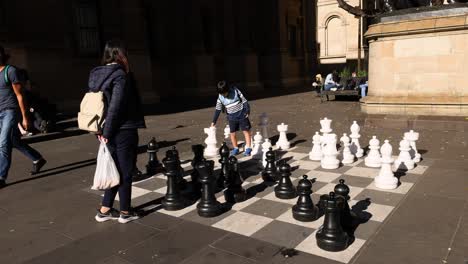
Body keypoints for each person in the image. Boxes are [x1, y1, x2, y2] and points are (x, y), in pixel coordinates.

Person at [90, 40, 146, 224]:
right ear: (119, 55)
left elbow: (96, 105)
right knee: (125, 170)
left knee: (114, 169)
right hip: (123, 128)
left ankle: (105, 209)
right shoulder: (120, 75)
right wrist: (107, 131)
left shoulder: (97, 74)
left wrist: (100, 130)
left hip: (105, 128)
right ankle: (125, 212)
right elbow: (115, 106)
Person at [0, 45, 47, 188]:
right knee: (14, 141)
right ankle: (37, 159)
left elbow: (20, 96)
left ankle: (1, 177)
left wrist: (25, 117)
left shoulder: (11, 71)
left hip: (11, 111)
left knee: (3, 143)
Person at [211, 81, 252, 156]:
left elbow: (244, 100)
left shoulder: (235, 91)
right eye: (221, 94)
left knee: (246, 131)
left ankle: (248, 148)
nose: (223, 95)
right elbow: (218, 109)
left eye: (224, 93)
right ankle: (235, 148)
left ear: (228, 90)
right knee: (232, 133)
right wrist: (214, 121)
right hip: (231, 117)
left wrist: (247, 110)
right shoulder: (220, 97)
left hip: (242, 114)